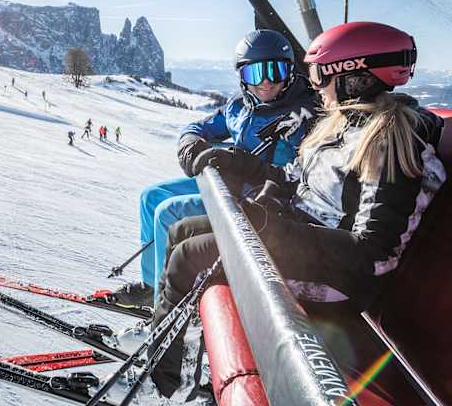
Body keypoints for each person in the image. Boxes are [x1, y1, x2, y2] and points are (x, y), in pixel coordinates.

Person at [145, 22, 447, 400]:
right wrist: (246, 166)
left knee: (190, 256)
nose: (315, 85)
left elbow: (373, 255)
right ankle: (165, 358)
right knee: (182, 232)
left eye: (320, 74)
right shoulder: (344, 126)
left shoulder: (389, 142)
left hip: (337, 280)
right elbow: (296, 180)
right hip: (304, 243)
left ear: (351, 76)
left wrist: (273, 228)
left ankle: (168, 384)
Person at [111, 29, 318, 309]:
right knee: (151, 197)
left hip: (260, 198)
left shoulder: (301, 114)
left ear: (290, 72)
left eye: (276, 71)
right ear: (242, 77)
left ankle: (168, 300)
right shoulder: (239, 106)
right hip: (229, 182)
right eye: (255, 74)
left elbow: (304, 168)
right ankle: (152, 285)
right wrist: (190, 145)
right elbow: (199, 127)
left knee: (168, 212)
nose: (267, 82)